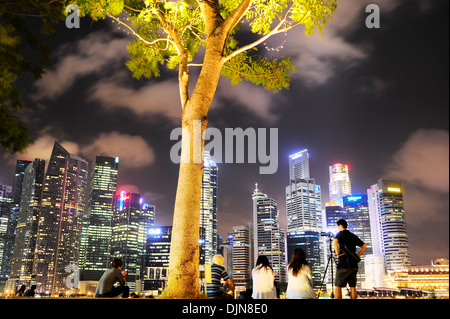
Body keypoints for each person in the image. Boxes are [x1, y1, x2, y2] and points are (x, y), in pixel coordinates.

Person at [333, 219, 367, 299]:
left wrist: (338, 253)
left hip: (343, 264)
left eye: (337, 226)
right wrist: (357, 256)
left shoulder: (339, 234)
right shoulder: (353, 235)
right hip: (353, 264)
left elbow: (335, 242)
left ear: (340, 226)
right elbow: (364, 247)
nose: (337, 228)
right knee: (352, 286)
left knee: (338, 286)